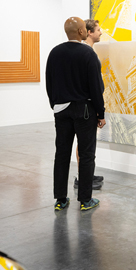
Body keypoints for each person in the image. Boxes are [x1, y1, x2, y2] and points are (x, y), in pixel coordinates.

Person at [46, 17, 105, 212]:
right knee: (87, 155)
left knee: (61, 154)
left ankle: (61, 200)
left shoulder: (54, 53)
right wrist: (101, 113)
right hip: (84, 111)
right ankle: (85, 200)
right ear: (82, 32)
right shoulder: (87, 54)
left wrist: (54, 105)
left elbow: (49, 83)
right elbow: (96, 87)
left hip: (61, 110)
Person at [75, 19, 105, 192]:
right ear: (89, 33)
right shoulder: (86, 52)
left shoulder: (89, 51)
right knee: (84, 142)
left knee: (88, 142)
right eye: (98, 30)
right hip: (86, 105)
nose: (100, 32)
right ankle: (82, 178)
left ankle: (87, 174)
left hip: (90, 104)